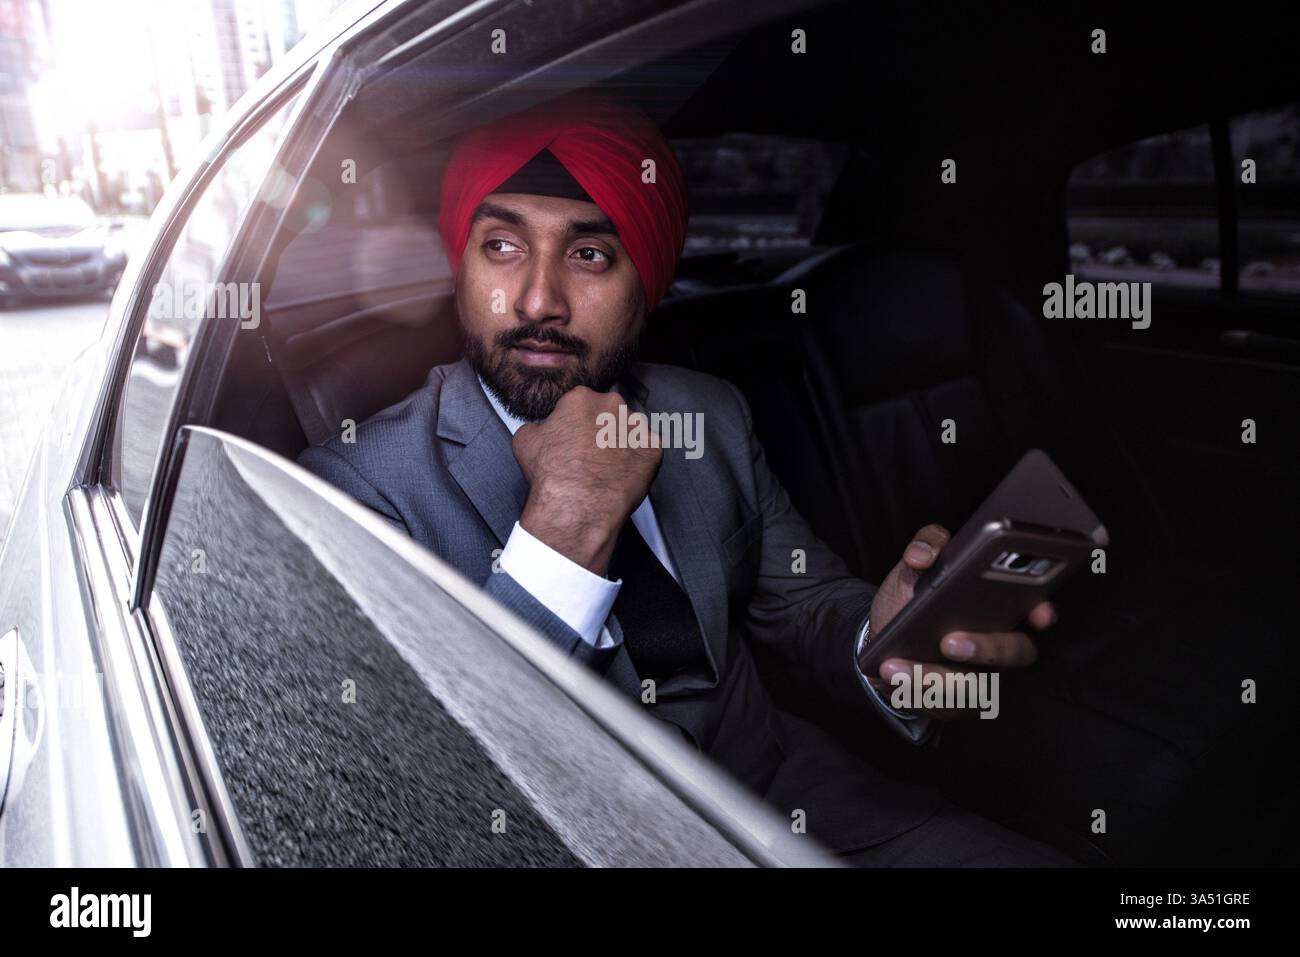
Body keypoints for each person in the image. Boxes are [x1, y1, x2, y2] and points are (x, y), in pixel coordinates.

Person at [298, 91, 1073, 865]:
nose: (538, 299)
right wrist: (566, 527)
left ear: (650, 285)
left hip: (792, 803)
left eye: (590, 254)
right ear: (461, 270)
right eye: (501, 246)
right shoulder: (355, 485)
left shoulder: (709, 413)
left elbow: (805, 605)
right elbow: (415, 789)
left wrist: (889, 640)